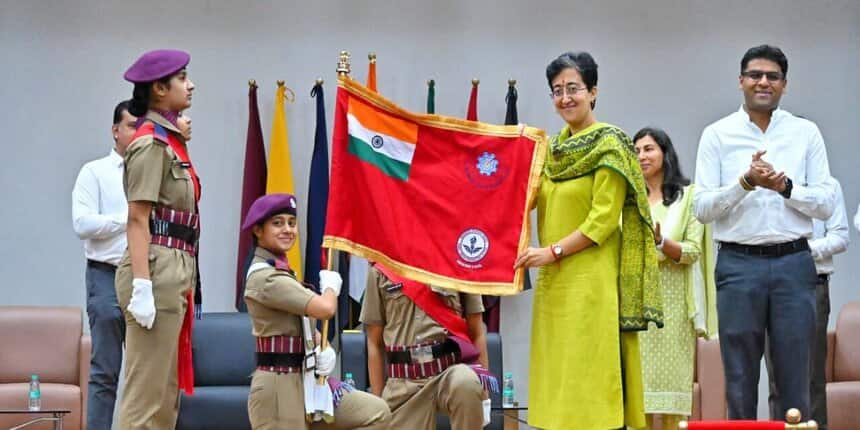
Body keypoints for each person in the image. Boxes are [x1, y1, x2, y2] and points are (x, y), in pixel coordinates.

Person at [514, 51, 662, 429]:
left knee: (590, 374)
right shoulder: (552, 152)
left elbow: (603, 219)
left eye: (573, 88)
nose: (565, 98)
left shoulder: (610, 145)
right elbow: (524, 199)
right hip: (554, 282)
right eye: (557, 90)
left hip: (591, 281)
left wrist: (553, 252)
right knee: (557, 374)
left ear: (593, 92)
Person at [692, 44, 835, 420]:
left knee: (795, 381)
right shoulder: (717, 135)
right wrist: (745, 182)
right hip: (738, 266)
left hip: (793, 263)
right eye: (755, 75)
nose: (763, 82)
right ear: (740, 81)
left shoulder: (805, 132)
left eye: (772, 76)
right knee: (739, 380)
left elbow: (825, 204)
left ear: (784, 85)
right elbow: (702, 209)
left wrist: (784, 187)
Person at [242, 193, 390, 429]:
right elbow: (325, 309)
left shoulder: (282, 271)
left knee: (375, 413)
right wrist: (331, 287)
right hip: (279, 386)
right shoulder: (265, 276)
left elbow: (302, 325)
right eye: (277, 223)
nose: (287, 229)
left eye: (291, 223)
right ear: (258, 230)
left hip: (307, 377)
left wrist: (326, 347)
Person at [114, 49, 202, 429]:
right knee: (146, 398)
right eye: (182, 78)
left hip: (174, 268)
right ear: (159, 89)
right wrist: (142, 285)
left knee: (165, 398)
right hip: (155, 269)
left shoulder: (168, 141)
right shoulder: (150, 144)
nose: (191, 84)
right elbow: (138, 218)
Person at [633, 127, 717, 430]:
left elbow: (693, 251)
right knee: (636, 399)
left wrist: (661, 244)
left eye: (649, 149)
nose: (641, 156)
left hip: (673, 309)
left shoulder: (688, 197)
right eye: (637, 150)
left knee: (672, 403)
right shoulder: (630, 198)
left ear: (665, 153)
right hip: (636, 307)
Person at [361, 263, 494, 430]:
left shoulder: (457, 261)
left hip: (448, 371)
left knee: (467, 383)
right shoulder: (381, 270)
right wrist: (378, 403)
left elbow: (477, 333)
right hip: (404, 381)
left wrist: (485, 397)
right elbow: (374, 343)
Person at [71, 99, 136, 429]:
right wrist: (129, 221)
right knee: (105, 371)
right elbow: (82, 224)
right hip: (106, 276)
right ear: (115, 130)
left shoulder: (153, 172)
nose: (138, 134)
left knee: (147, 375)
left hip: (145, 278)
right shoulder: (94, 172)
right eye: (131, 126)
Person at [765, 177, 849, 429]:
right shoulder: (768, 183)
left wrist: (800, 251)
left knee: (811, 376)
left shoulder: (829, 186)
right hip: (772, 282)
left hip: (812, 282)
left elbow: (840, 236)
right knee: (776, 378)